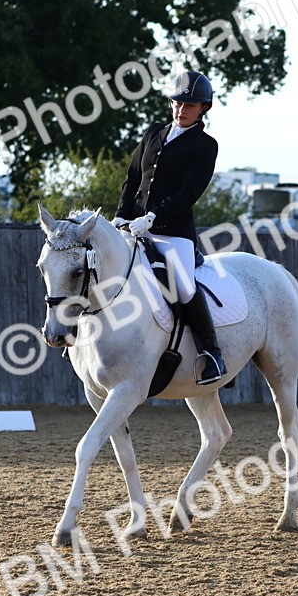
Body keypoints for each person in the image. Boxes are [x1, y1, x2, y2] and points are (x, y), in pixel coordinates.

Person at [113, 70, 226, 385]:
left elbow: (189, 192)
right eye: (177, 103)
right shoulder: (153, 132)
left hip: (173, 233)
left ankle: (212, 354)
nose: (181, 109)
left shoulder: (205, 145)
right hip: (133, 226)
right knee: (101, 267)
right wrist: (121, 215)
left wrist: (152, 218)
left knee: (185, 286)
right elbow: (132, 178)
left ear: (203, 108)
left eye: (189, 105)